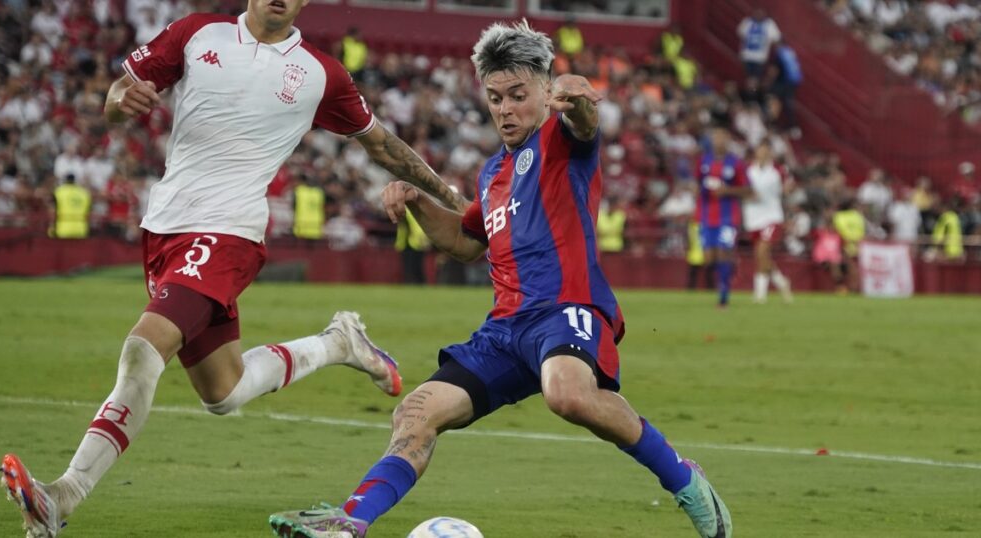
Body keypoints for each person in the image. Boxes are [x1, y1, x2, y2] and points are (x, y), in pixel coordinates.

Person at [0, 1, 467, 536]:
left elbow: (381, 144)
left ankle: (63, 495)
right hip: (165, 227)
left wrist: (452, 197)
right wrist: (120, 102)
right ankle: (338, 344)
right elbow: (116, 98)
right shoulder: (196, 34)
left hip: (228, 232)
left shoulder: (320, 73)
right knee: (223, 391)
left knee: (143, 349)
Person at [268, 20, 732, 538]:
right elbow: (466, 242)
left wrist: (577, 97)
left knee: (567, 394)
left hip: (565, 309)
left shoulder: (559, 139)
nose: (505, 109)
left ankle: (684, 478)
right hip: (506, 331)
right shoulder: (493, 174)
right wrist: (417, 201)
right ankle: (350, 520)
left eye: (518, 95)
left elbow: (583, 122)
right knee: (416, 413)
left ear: (544, 91)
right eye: (495, 98)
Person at [696, 124, 751, 307]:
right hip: (706, 216)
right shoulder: (704, 160)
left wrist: (728, 190)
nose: (718, 141)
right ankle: (728, 276)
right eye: (715, 138)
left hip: (728, 217)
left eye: (722, 138)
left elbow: (748, 190)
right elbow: (698, 183)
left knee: (723, 253)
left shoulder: (736, 163)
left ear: (727, 141)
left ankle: (724, 296)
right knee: (709, 258)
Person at [742, 141, 792, 304]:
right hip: (752, 217)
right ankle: (781, 282)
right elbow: (740, 188)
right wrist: (747, 194)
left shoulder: (778, 170)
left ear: (770, 153)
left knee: (762, 251)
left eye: (766, 151)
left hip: (772, 216)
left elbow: (788, 186)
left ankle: (760, 294)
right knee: (761, 256)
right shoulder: (747, 169)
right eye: (760, 151)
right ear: (756, 153)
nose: (763, 154)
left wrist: (787, 189)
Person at [51, 174, 91, 239]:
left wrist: (51, 230)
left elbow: (53, 210)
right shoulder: (84, 193)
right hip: (81, 230)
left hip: (62, 230)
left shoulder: (59, 192)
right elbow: (88, 211)